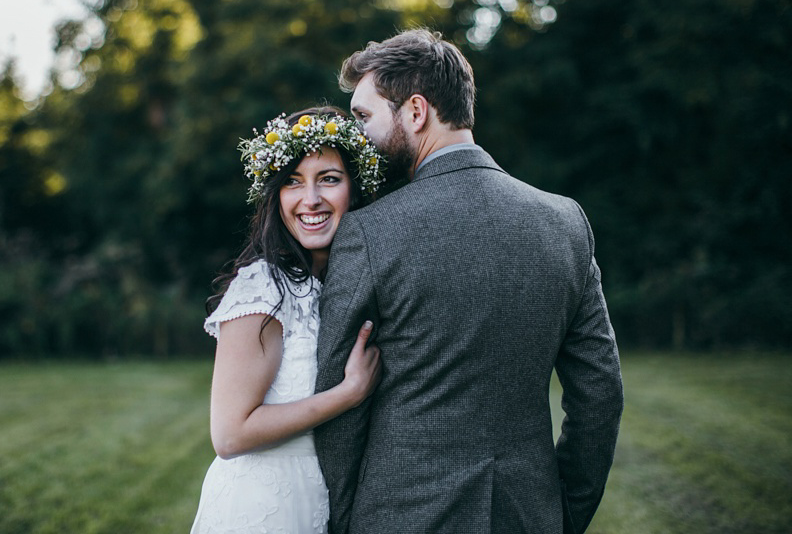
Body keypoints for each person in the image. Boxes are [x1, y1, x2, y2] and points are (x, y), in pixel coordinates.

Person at [313, 29, 624, 534]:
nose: (357, 139)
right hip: (529, 515)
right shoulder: (565, 222)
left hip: (400, 516)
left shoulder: (369, 232)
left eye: (364, 118)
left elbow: (338, 407)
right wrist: (564, 514)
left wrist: (346, 521)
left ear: (416, 112)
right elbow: (600, 396)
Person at [190, 106, 384, 533]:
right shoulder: (263, 288)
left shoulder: (342, 286)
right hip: (261, 508)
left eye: (328, 179)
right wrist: (348, 392)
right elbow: (229, 435)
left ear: (355, 189)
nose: (310, 199)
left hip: (320, 501)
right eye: (293, 182)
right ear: (276, 196)